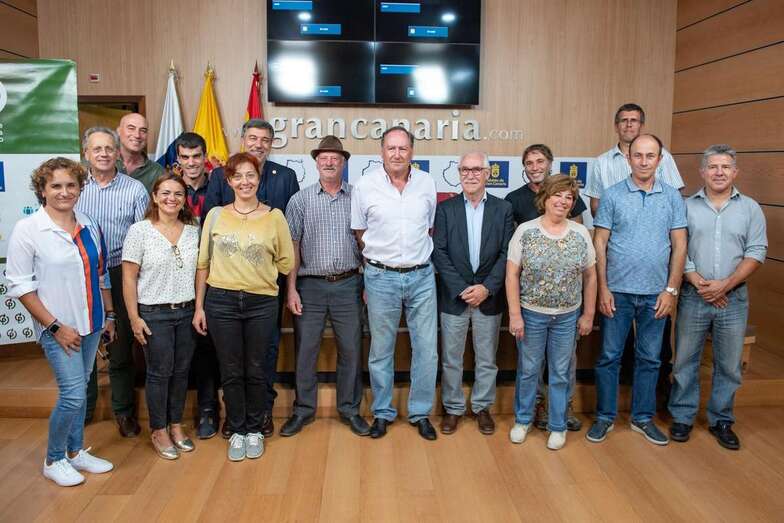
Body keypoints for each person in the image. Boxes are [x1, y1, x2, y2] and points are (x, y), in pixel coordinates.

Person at [6, 157, 115, 486]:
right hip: (59, 328)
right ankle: (54, 459)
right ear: (42, 189)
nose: (64, 191)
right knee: (72, 395)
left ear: (80, 188)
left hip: (92, 323)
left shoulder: (88, 223)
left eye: (71, 185)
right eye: (55, 185)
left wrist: (109, 316)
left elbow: (100, 274)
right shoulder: (28, 229)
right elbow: (20, 286)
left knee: (81, 388)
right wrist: (55, 327)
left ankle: (75, 452)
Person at [193, 152, 294, 462]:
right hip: (221, 301)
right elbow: (203, 264)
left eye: (251, 175)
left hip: (261, 301)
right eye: (238, 176)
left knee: (257, 368)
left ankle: (254, 427)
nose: (245, 181)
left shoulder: (274, 216)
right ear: (229, 181)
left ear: (258, 179)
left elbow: (287, 261)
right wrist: (200, 306)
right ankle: (236, 428)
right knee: (231, 369)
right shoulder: (215, 216)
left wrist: (257, 263)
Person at [588, 134, 687, 446]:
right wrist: (602, 288)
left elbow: (680, 244)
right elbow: (600, 242)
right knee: (608, 357)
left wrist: (671, 290)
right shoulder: (612, 195)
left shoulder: (672, 197)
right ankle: (605, 417)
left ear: (660, 160)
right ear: (629, 158)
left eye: (651, 156)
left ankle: (642, 418)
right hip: (616, 292)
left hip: (656, 294)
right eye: (638, 156)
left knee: (650, 358)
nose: (644, 161)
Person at [668, 145, 767, 450]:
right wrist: (699, 281)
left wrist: (726, 284)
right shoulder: (686, 206)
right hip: (693, 294)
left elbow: (757, 251)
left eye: (725, 167)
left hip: (733, 298)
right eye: (713, 167)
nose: (719, 172)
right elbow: (677, 248)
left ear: (735, 172)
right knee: (685, 360)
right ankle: (682, 417)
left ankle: (721, 419)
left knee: (728, 365)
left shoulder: (750, 208)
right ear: (702, 172)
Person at [351, 126, 439, 441]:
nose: (397, 154)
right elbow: (360, 233)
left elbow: (428, 229)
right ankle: (383, 413)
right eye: (391, 148)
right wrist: (382, 261)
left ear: (412, 152)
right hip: (380, 277)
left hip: (421, 276)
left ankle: (420, 413)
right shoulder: (364, 186)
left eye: (403, 148)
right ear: (382, 152)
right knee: (381, 350)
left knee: (427, 350)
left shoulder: (427, 183)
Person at [281, 136, 369, 437]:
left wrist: (368, 281)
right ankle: (303, 410)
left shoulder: (358, 197)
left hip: (349, 284)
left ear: (344, 163)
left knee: (351, 350)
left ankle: (350, 409)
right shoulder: (300, 200)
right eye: (324, 158)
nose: (329, 162)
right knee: (306, 351)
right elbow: (293, 248)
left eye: (335, 158)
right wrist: (291, 289)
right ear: (316, 162)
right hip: (310, 287)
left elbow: (368, 244)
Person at [505, 175, 597, 450]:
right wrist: (515, 314)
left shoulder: (580, 233)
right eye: (558, 195)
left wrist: (588, 314)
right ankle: (522, 420)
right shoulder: (525, 231)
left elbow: (591, 277)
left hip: (568, 316)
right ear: (545, 198)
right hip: (531, 314)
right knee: (529, 370)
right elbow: (512, 275)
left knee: (560, 372)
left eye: (569, 197)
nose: (563, 201)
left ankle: (557, 425)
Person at [432, 151, 514, 436]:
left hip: (488, 297)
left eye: (476, 169)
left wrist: (486, 288)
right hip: (454, 297)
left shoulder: (503, 209)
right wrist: (461, 288)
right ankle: (453, 409)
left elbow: (507, 253)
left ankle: (481, 407)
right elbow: (439, 252)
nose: (470, 175)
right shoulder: (446, 208)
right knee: (451, 358)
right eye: (465, 170)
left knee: (486, 358)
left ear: (488, 174)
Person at [77, 127, 149, 438]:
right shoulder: (74, 188)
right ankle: (83, 408)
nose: (104, 154)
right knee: (81, 342)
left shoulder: (134, 190)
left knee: (119, 345)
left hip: (121, 274)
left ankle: (123, 412)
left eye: (109, 148)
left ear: (118, 152)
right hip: (80, 275)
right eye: (97, 149)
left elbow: (145, 235)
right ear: (86, 154)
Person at [122, 174, 200, 460]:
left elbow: (200, 272)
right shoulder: (139, 231)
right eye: (165, 193)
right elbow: (128, 279)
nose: (172, 198)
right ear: (154, 197)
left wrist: (199, 308)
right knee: (159, 372)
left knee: (181, 371)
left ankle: (176, 424)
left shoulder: (193, 230)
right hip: (154, 313)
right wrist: (134, 317)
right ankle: (158, 429)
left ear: (184, 200)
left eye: (178, 194)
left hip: (187, 311)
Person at [174, 131, 223, 440]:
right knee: (179, 349)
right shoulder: (170, 189)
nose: (191, 163)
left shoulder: (218, 185)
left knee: (207, 346)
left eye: (196, 157)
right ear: (177, 160)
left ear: (204, 157)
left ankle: (208, 410)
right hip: (176, 277)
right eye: (185, 157)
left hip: (214, 274)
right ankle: (172, 417)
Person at [584, 103, 684, 216]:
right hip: (615, 231)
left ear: (641, 126)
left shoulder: (663, 156)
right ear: (616, 127)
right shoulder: (601, 162)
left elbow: (676, 198)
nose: (629, 124)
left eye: (634, 120)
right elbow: (595, 205)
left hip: (656, 229)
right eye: (624, 120)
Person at [116, 112, 164, 193]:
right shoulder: (103, 163)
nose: (137, 135)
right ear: (119, 131)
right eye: (131, 128)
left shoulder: (157, 171)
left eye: (143, 130)